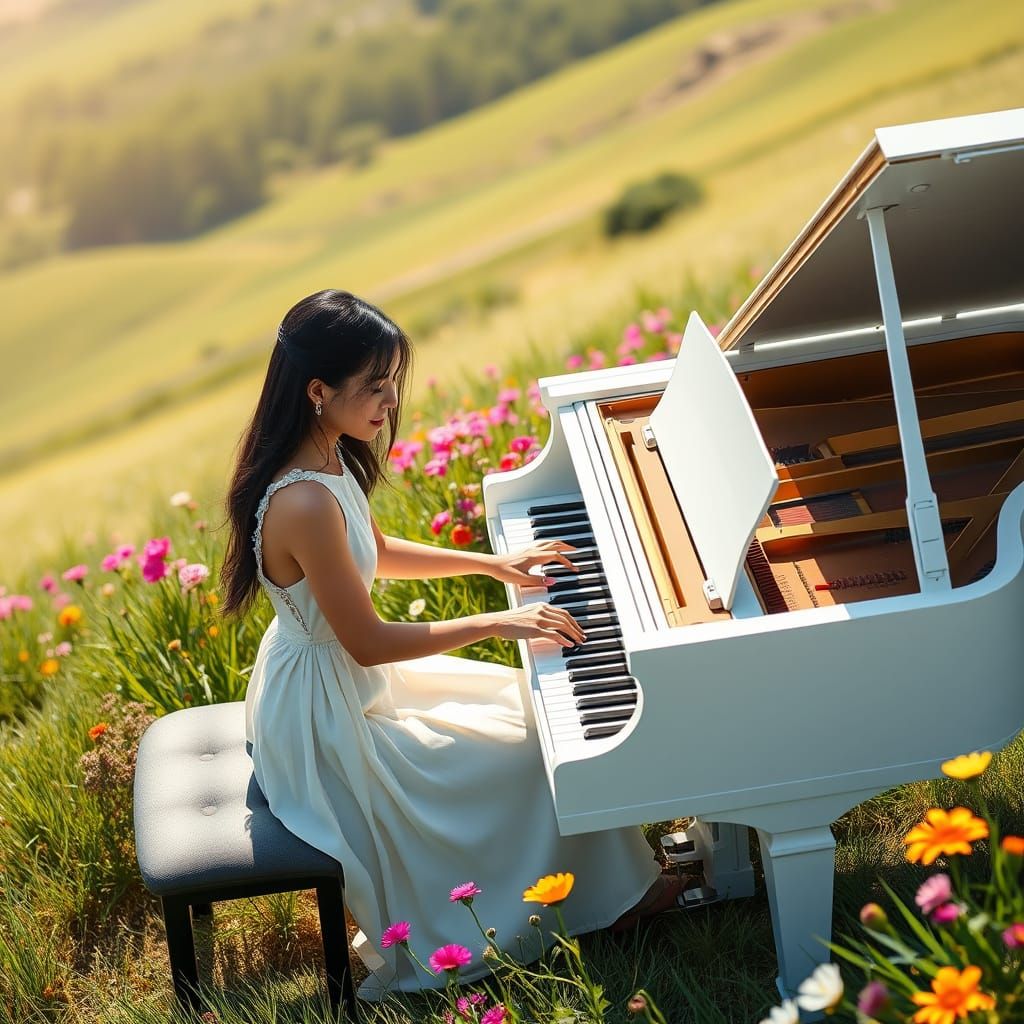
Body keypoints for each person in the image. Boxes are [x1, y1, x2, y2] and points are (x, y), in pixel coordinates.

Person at [220, 289, 680, 1000]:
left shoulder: (329, 458)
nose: (389, 400)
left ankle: (619, 883)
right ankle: (613, 901)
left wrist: (492, 566)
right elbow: (369, 641)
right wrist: (495, 621)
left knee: (527, 710)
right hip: (326, 712)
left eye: (390, 382)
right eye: (374, 386)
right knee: (524, 751)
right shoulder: (301, 499)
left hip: (345, 677)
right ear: (318, 391)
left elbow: (371, 548)